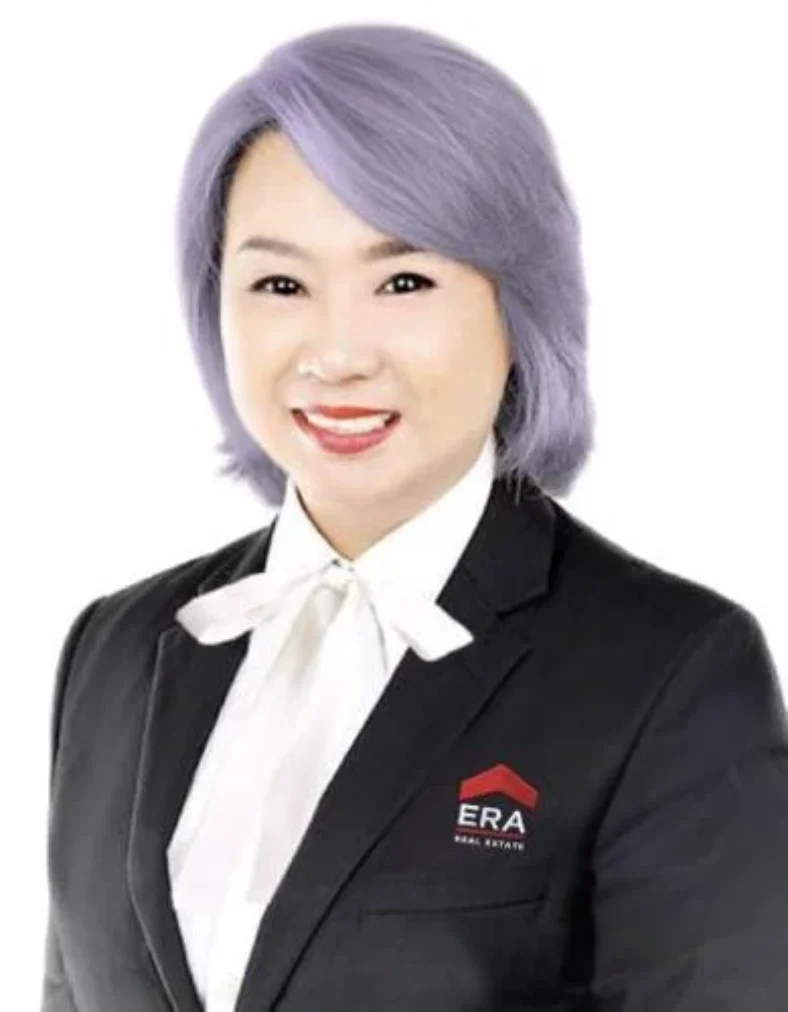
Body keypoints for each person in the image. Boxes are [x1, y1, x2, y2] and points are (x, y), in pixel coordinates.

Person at [41, 22, 788, 1012]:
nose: (337, 354)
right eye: (279, 284)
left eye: (404, 281)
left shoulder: (668, 670)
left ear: (518, 309)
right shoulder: (116, 647)